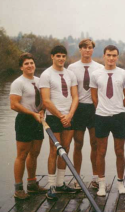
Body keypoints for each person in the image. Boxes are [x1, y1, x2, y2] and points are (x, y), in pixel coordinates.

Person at [90, 45, 125, 196]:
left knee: (119, 151)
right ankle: (101, 185)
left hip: (119, 116)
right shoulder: (96, 74)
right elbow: (94, 96)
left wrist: (118, 107)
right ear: (104, 56)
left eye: (114, 55)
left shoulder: (123, 74)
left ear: (117, 57)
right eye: (109, 55)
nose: (111, 58)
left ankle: (120, 183)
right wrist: (102, 108)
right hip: (101, 116)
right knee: (101, 151)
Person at [40, 45, 78, 200]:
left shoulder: (70, 74)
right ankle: (51, 186)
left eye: (63, 56)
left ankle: (61, 183)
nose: (61, 59)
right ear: (52, 57)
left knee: (66, 148)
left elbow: (75, 97)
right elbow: (46, 100)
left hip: (69, 116)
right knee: (54, 150)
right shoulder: (46, 74)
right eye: (58, 56)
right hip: (54, 117)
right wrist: (60, 116)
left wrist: (69, 115)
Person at [10, 53, 47, 200]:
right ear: (21, 67)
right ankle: (18, 188)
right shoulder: (18, 83)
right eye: (26, 64)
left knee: (35, 153)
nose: (30, 66)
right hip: (25, 119)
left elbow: (44, 100)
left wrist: (42, 110)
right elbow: (14, 105)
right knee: (22, 155)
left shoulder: (39, 81)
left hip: (38, 119)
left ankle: (32, 184)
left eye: (31, 63)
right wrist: (32, 114)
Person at [67, 39, 103, 190]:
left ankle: (95, 178)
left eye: (90, 48)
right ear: (80, 49)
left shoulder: (100, 67)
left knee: (95, 144)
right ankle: (77, 178)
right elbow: (70, 91)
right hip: (79, 109)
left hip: (94, 108)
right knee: (78, 144)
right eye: (84, 48)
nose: (87, 50)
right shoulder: (72, 67)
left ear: (93, 50)